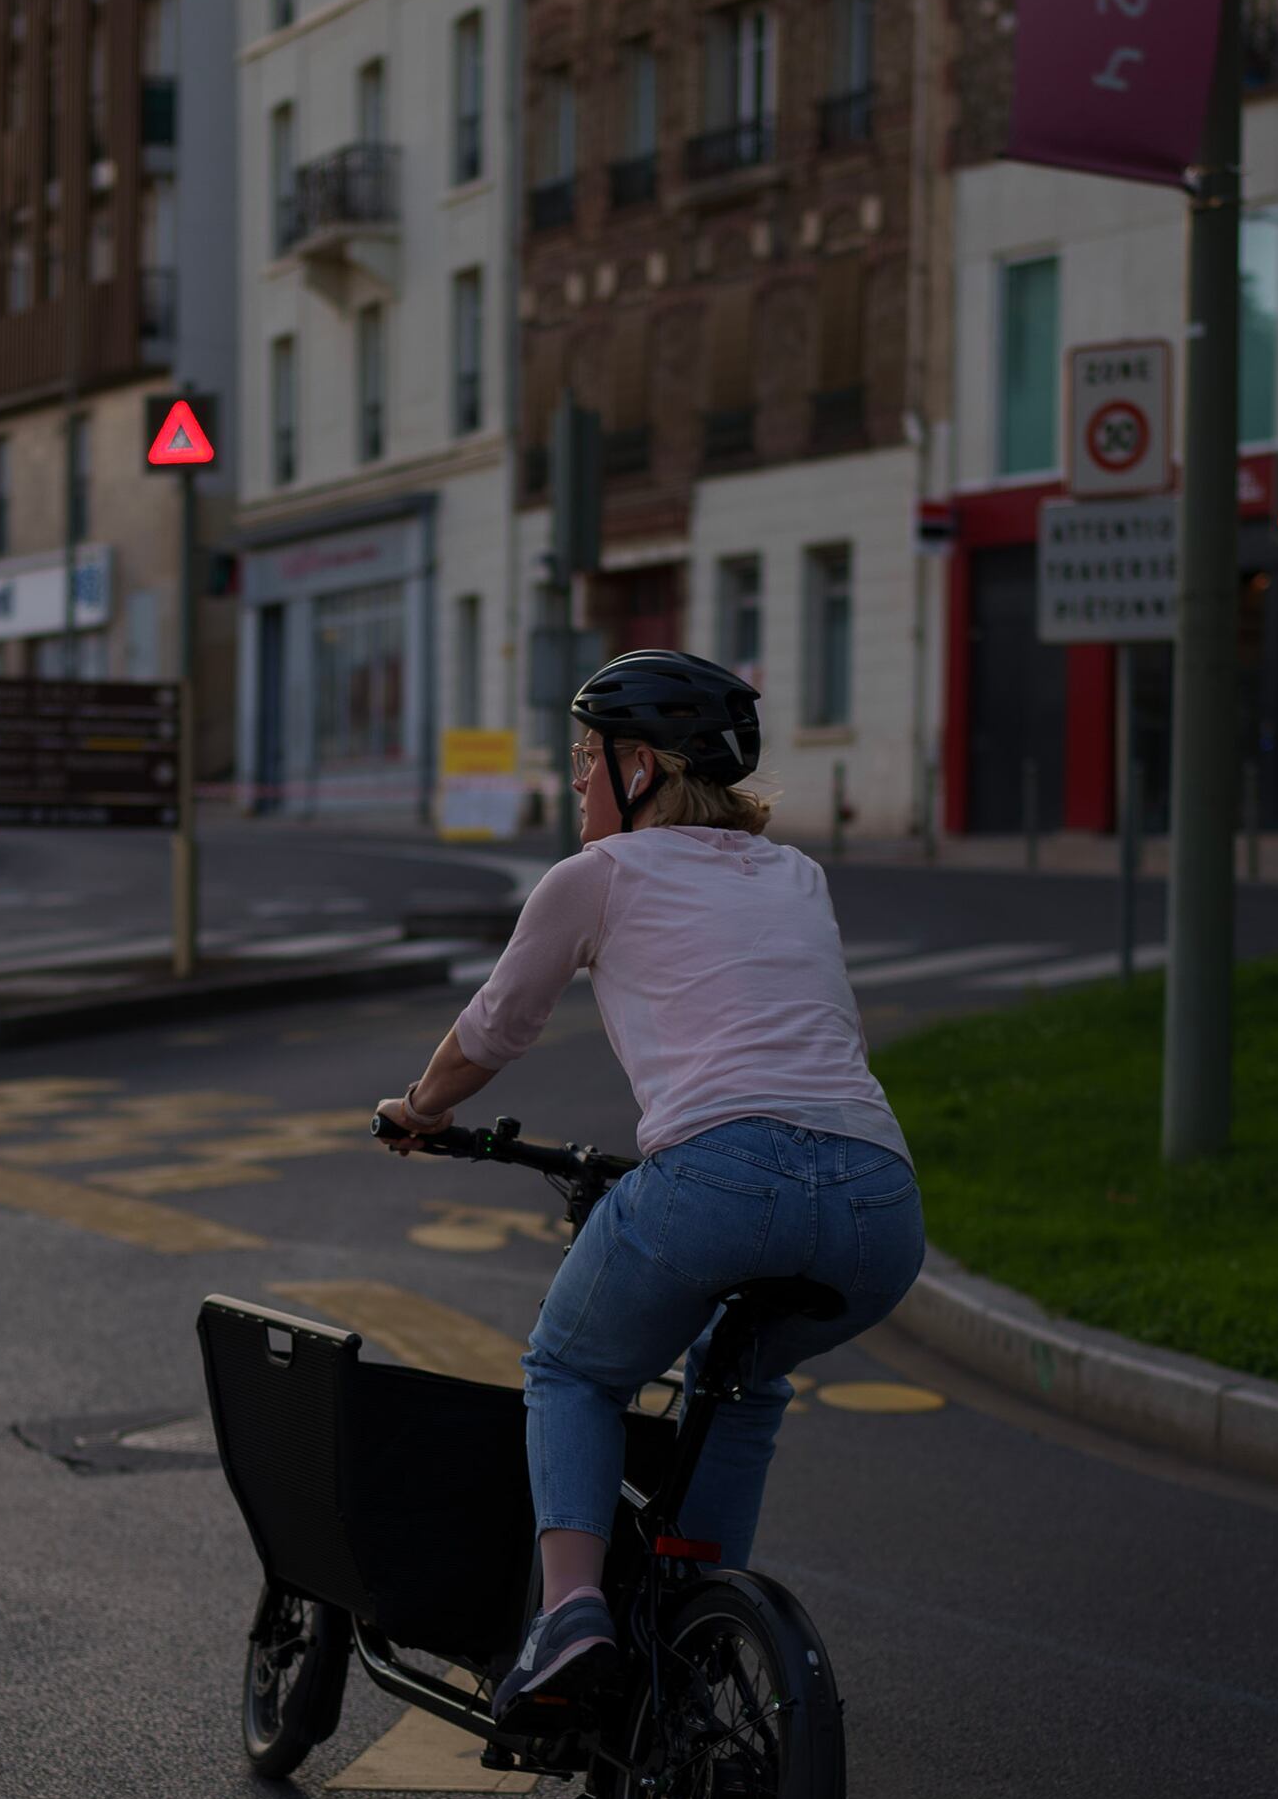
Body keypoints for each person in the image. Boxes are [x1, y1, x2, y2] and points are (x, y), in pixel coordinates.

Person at [374, 649, 926, 1711]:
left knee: (571, 1372)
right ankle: (692, 1624)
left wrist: (424, 1108)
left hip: (719, 1180)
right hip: (876, 1204)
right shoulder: (796, 875)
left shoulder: (597, 876)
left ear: (640, 765)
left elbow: (497, 1026)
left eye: (587, 756)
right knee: (743, 1375)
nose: (576, 780)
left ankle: (571, 1617)